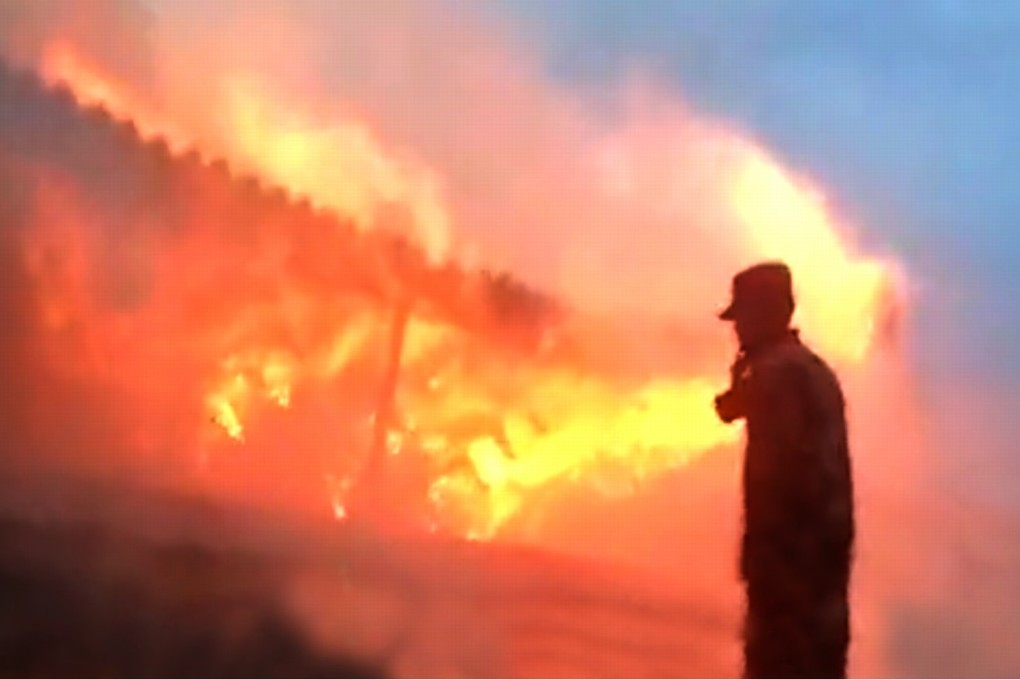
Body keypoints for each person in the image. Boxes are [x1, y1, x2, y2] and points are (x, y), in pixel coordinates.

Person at [714, 262, 856, 679]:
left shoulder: (779, 376)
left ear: (769, 313)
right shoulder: (809, 371)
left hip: (790, 588)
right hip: (818, 588)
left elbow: (779, 481)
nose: (737, 331)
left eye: (744, 317)